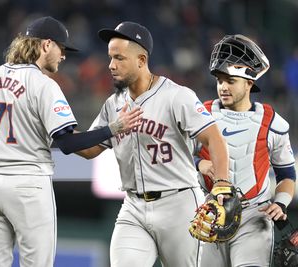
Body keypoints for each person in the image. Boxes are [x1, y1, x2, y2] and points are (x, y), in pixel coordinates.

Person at [0, 16, 143, 267]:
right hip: (28, 184)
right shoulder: (43, 84)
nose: (63, 55)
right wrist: (113, 128)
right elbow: (66, 144)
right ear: (46, 45)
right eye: (61, 47)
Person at [75, 21, 230, 267]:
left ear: (141, 59)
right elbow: (90, 149)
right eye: (110, 58)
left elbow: (214, 139)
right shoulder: (113, 104)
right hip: (133, 206)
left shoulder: (176, 96)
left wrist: (222, 184)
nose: (111, 66)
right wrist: (57, 127)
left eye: (119, 58)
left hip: (178, 204)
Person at [195, 34, 297, 267]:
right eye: (220, 80)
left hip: (254, 216)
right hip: (211, 213)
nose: (223, 87)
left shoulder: (273, 122)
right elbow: (177, 157)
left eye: (230, 81)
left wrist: (280, 203)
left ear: (249, 82)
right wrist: (198, 164)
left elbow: (287, 176)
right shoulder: (200, 115)